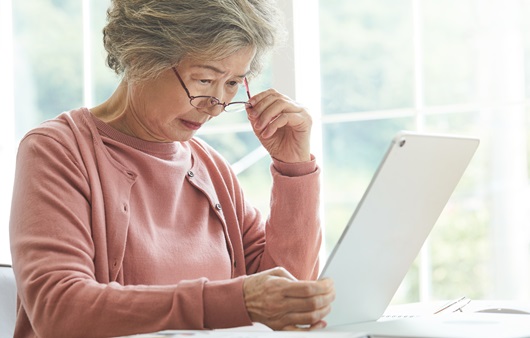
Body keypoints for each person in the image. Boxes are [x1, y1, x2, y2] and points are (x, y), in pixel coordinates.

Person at [9, 0, 335, 336]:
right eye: (205, 80)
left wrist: (294, 168)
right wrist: (235, 301)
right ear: (141, 57)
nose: (216, 106)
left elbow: (288, 297)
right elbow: (59, 308)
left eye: (233, 84)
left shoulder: (211, 167)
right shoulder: (58, 150)